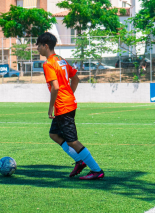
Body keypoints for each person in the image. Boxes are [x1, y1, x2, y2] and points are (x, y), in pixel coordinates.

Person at [36, 32, 104, 180]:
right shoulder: (61, 60)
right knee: (54, 134)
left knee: (72, 141)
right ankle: (79, 161)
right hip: (68, 103)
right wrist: (69, 94)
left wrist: (50, 107)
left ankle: (96, 170)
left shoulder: (48, 64)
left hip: (63, 106)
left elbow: (55, 87)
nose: (37, 49)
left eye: (39, 46)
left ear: (45, 46)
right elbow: (76, 79)